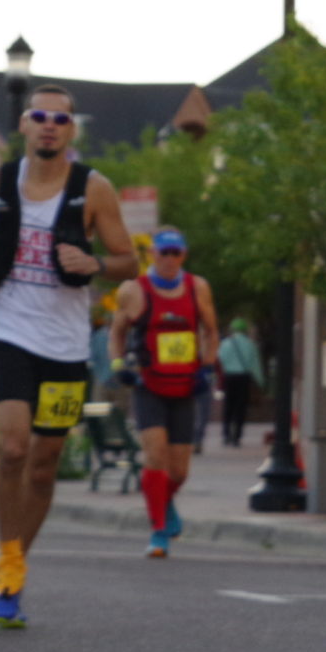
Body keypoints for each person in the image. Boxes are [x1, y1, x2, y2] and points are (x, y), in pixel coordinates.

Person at [0, 85, 137, 627]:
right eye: (39, 116)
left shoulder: (94, 189)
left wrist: (95, 264)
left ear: (71, 130)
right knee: (13, 447)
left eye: (60, 119)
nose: (49, 126)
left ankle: (14, 565)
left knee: (44, 463)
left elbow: (128, 260)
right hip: (6, 328)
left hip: (65, 342)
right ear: (24, 125)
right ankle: (9, 565)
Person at [104, 227, 218, 557]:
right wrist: (118, 365)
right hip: (148, 385)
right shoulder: (133, 290)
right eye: (163, 252)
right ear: (152, 254)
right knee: (155, 456)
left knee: (179, 471)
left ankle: (164, 504)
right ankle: (158, 532)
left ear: (183, 255)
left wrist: (207, 366)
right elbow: (117, 332)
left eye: (175, 253)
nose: (169, 259)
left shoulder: (198, 288)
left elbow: (211, 331)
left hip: (185, 385)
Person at [216, 319, 262, 448]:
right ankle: (237, 436)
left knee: (228, 406)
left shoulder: (225, 344)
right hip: (243, 378)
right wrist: (261, 381)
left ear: (232, 330)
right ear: (245, 330)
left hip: (229, 377)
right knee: (240, 407)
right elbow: (255, 364)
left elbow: (219, 360)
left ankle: (226, 434)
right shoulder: (250, 344)